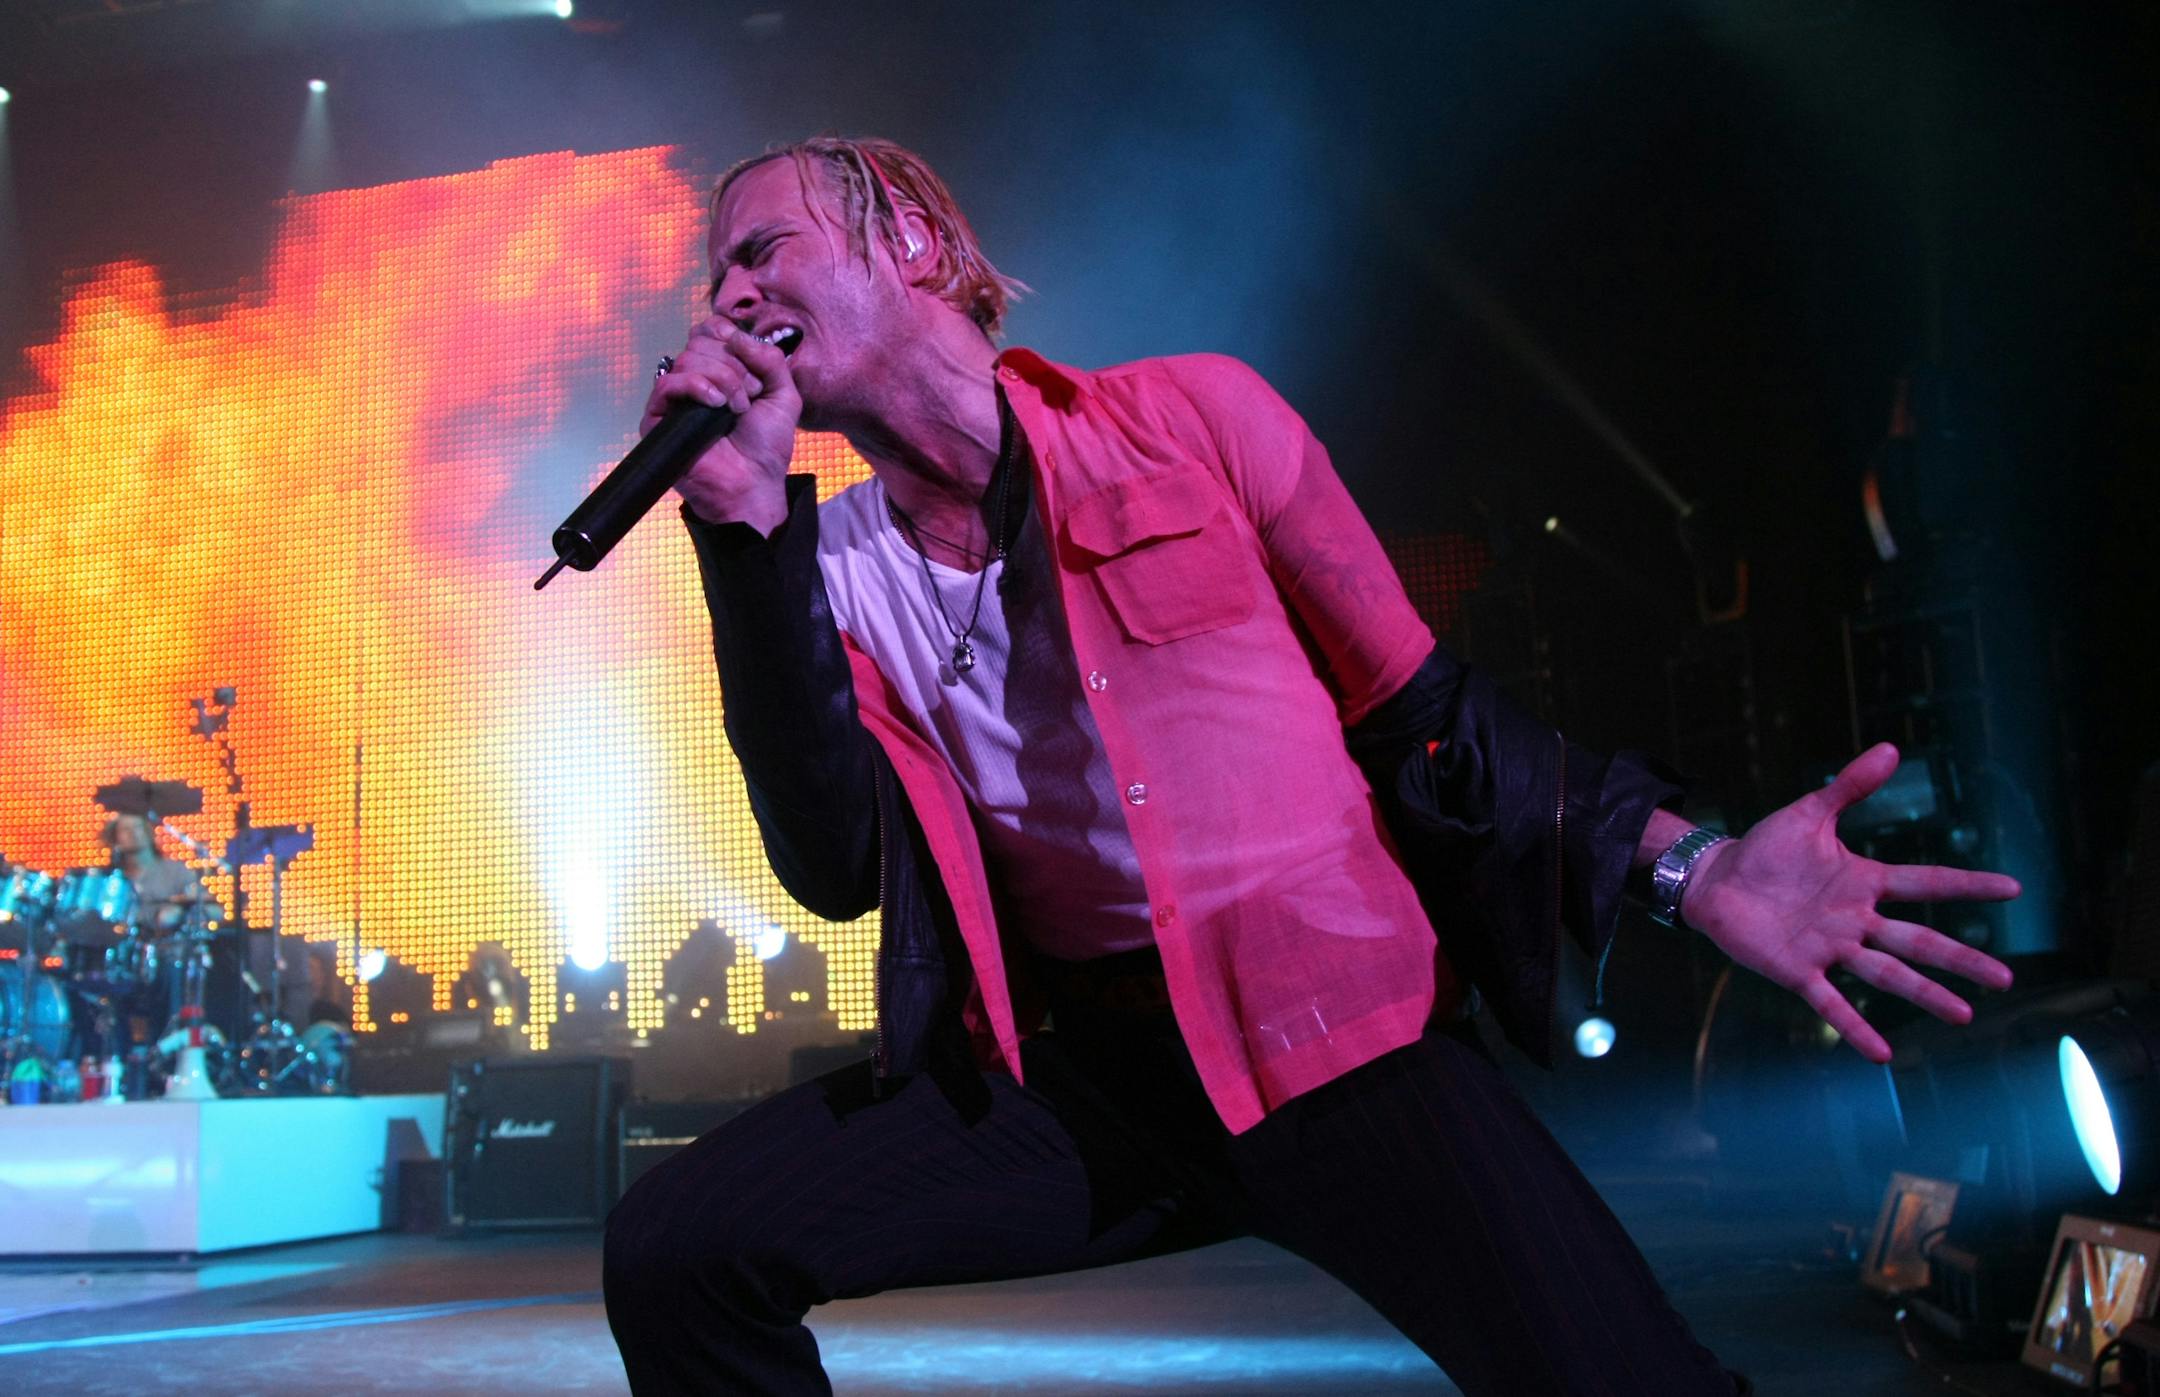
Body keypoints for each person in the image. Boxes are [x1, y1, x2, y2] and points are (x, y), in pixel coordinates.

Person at [601, 137, 2020, 1396]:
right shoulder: (824, 567)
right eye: (713, 275)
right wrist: (742, 539)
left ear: (905, 237)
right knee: (678, 1249)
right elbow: (836, 866)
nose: (726, 295)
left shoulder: (1197, 419)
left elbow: (1431, 716)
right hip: (1086, 1082)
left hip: (1336, 1034)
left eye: (761, 248)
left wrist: (1692, 868)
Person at [101, 812, 203, 934]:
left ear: (149, 832)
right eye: (125, 829)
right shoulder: (109, 880)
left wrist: (179, 910)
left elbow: (213, 912)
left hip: (169, 947)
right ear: (115, 840)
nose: (133, 833)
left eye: (138, 827)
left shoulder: (176, 871)